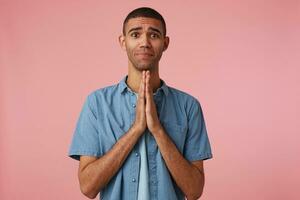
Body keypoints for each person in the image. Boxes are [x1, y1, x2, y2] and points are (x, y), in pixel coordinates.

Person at [68, 7, 213, 200]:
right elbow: (88, 187)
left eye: (153, 35)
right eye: (135, 34)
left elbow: (194, 191)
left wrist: (158, 130)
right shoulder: (97, 104)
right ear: (123, 41)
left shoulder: (189, 106)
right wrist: (136, 129)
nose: (144, 42)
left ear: (165, 43)